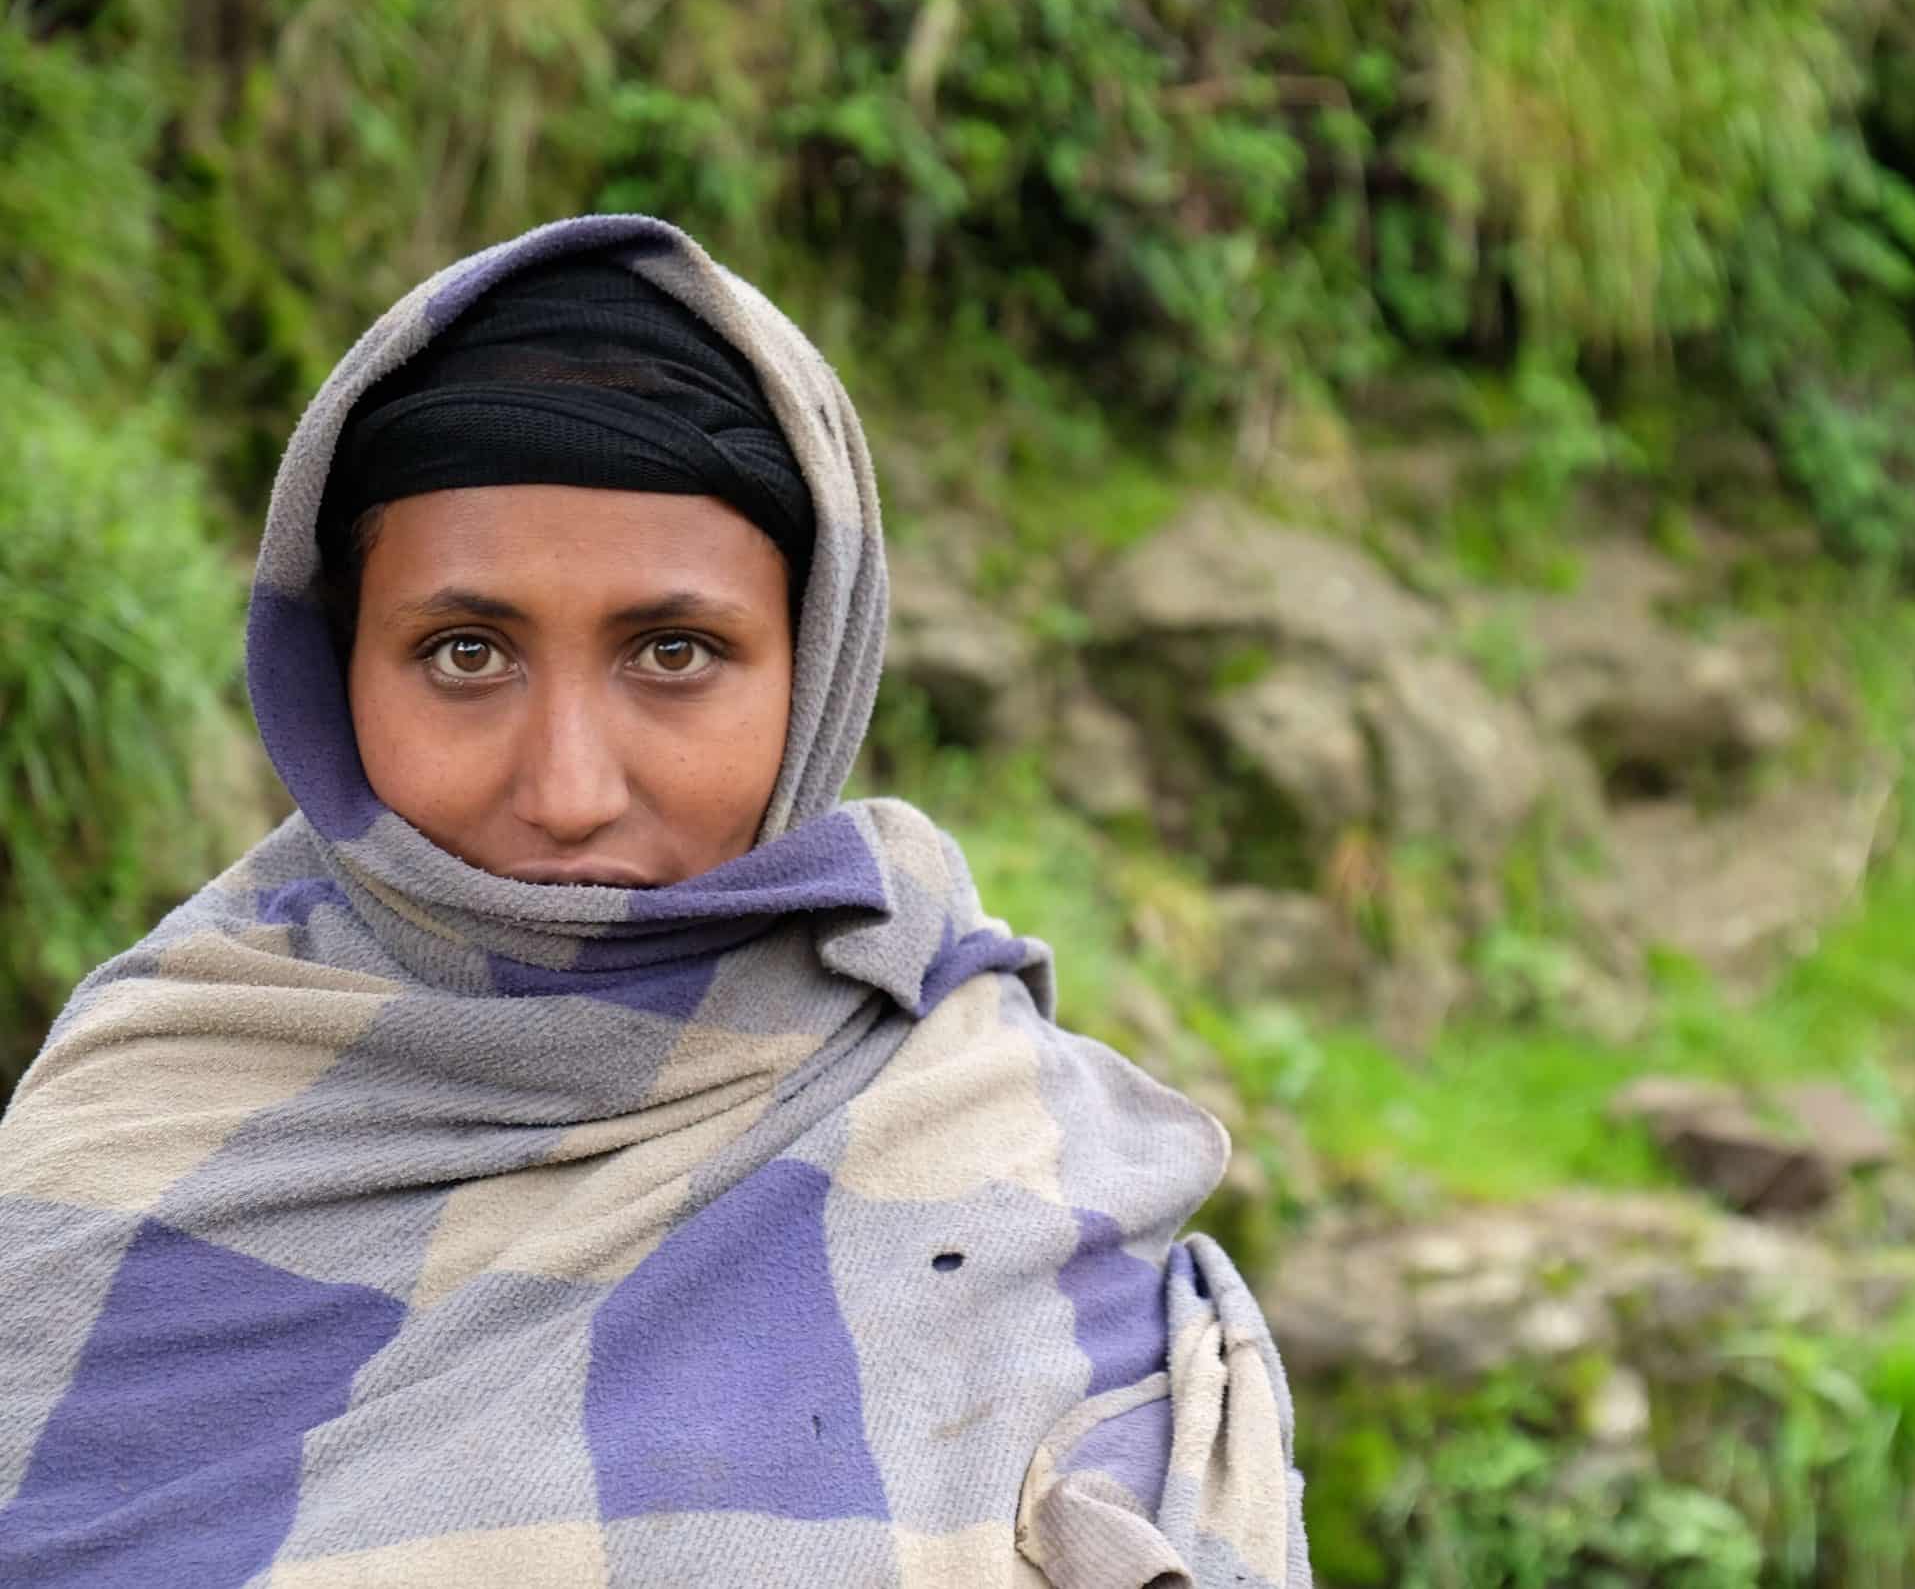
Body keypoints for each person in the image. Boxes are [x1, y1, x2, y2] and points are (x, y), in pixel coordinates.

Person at [0, 215, 1309, 1588]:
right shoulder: (137, 1127)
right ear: (336, 668)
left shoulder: (1009, 1162)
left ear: (813, 663)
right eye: (464, 652)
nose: (568, 788)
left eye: (674, 651)